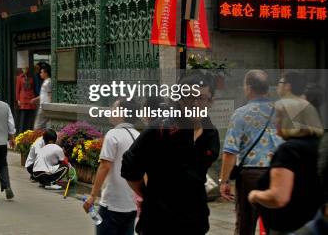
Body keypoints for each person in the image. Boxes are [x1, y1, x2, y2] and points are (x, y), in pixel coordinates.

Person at [121, 74, 220, 235]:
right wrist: (149, 195)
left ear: (210, 101)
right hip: (158, 223)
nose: (195, 104)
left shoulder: (211, 134)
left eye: (201, 98)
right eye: (189, 98)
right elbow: (130, 167)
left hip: (195, 222)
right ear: (179, 100)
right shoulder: (159, 130)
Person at [219, 70, 283, 235]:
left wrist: (224, 181)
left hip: (250, 177)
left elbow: (230, 152)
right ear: (267, 88)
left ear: (248, 88)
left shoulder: (240, 114)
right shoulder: (282, 112)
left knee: (245, 225)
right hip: (278, 174)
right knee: (276, 225)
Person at [248, 98, 324, 234]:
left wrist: (255, 195)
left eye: (278, 117)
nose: (274, 121)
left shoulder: (289, 150)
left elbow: (278, 197)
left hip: (290, 226)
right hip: (316, 222)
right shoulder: (321, 145)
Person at [83, 100, 140, 235]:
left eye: (113, 108)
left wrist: (92, 196)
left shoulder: (113, 135)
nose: (110, 110)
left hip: (111, 204)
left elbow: (104, 166)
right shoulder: (138, 136)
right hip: (131, 205)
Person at [16, 67, 36, 132]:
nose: (25, 70)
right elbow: (17, 89)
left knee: (30, 117)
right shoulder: (19, 78)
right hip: (23, 99)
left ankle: (29, 132)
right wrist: (18, 99)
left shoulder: (31, 77)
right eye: (24, 69)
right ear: (22, 69)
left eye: (26, 69)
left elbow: (33, 88)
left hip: (30, 98)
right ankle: (20, 132)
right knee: (23, 117)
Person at [33, 65, 52, 130]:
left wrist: (49, 105)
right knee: (45, 125)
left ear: (46, 73)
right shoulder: (45, 81)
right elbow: (43, 94)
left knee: (37, 126)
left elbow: (50, 94)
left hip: (45, 106)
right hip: (44, 106)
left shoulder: (48, 82)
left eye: (41, 72)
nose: (40, 74)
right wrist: (35, 99)